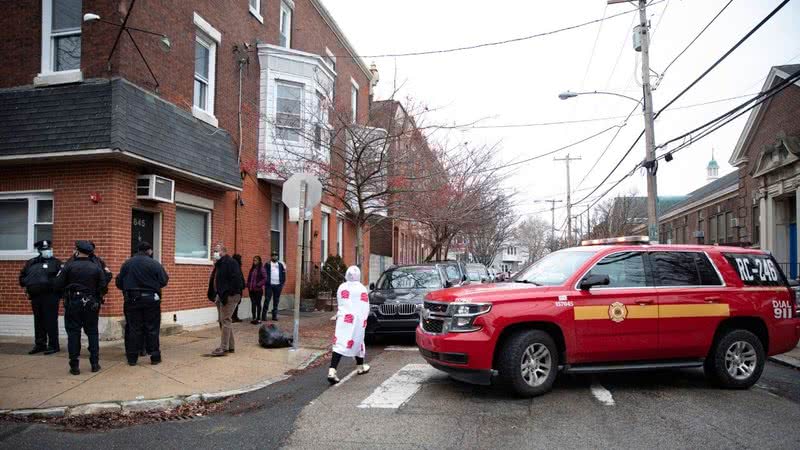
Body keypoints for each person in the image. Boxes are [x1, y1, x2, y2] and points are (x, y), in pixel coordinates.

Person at [54, 241, 110, 375]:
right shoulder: (96, 267)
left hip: (73, 302)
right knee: (92, 332)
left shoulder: (69, 266)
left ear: (77, 251)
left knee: (73, 332)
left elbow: (57, 284)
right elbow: (103, 286)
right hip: (91, 302)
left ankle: (74, 365)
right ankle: (95, 363)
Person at [116, 242, 169, 366]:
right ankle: (155, 356)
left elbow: (119, 283)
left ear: (137, 250)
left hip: (132, 300)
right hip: (151, 300)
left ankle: (132, 358)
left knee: (134, 328)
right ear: (149, 251)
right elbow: (164, 280)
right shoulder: (154, 264)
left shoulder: (127, 264)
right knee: (152, 328)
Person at [19, 240, 63, 355]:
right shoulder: (31, 263)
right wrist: (28, 282)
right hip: (36, 296)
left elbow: (62, 279)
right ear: (39, 251)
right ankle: (40, 344)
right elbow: (22, 277)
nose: (47, 251)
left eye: (48, 249)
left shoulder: (56, 263)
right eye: (44, 250)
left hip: (51, 296)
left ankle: (53, 345)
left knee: (51, 321)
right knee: (38, 321)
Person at [327, 266, 370, 384]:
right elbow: (365, 305)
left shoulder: (342, 287)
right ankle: (360, 366)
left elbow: (341, 303)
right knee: (358, 341)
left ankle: (332, 370)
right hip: (357, 321)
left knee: (340, 342)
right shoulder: (361, 288)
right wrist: (364, 319)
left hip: (344, 319)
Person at [207, 244, 244, 357]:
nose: (214, 253)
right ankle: (230, 346)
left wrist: (228, 294)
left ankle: (224, 348)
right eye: (214, 251)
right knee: (222, 321)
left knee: (225, 320)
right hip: (221, 295)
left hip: (230, 296)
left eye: (216, 251)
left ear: (223, 251)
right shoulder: (219, 264)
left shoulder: (230, 262)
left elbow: (237, 281)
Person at [264, 251, 286, 321]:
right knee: (267, 299)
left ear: (277, 256)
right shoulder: (267, 264)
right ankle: (264, 315)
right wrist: (266, 282)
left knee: (276, 301)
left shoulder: (280, 265)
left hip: (278, 285)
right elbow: (264, 274)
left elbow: (283, 274)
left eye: (276, 255)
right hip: (269, 285)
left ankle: (274, 316)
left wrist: (282, 283)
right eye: (273, 255)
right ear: (271, 256)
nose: (274, 256)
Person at [247, 256, 267, 325]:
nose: (254, 262)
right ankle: (254, 318)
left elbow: (265, 278)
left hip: (258, 290)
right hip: (251, 290)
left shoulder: (261, 269)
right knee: (253, 304)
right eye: (253, 260)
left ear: (259, 261)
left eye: (255, 260)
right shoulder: (252, 269)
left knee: (258, 304)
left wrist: (258, 284)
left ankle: (258, 318)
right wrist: (248, 285)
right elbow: (249, 279)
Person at [231, 254, 245, 323]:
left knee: (237, 303)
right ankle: (232, 317)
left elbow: (241, 277)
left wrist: (243, 284)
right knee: (234, 303)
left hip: (239, 288)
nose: (241, 260)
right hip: (235, 289)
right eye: (240, 259)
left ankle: (235, 317)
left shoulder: (238, 266)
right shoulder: (234, 266)